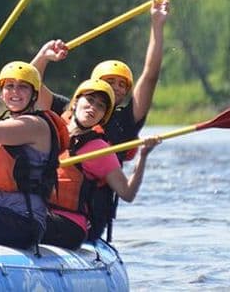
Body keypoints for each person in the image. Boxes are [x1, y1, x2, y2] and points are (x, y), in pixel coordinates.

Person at [33, 0, 169, 240]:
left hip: (87, 215)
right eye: (109, 82)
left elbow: (150, 76)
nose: (115, 88)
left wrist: (156, 26)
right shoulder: (70, 108)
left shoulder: (126, 120)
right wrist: (44, 57)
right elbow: (29, 86)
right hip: (46, 204)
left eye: (121, 85)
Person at [41, 79, 160, 250]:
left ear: (103, 116)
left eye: (101, 106)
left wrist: (143, 156)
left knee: (26, 222)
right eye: (89, 100)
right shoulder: (49, 132)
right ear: (75, 103)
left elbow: (127, 193)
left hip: (71, 224)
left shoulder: (100, 150)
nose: (93, 108)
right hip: (40, 213)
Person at [0, 62, 68, 250]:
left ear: (34, 94)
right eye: (9, 86)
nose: (15, 92)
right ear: (2, 94)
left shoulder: (35, 126)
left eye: (23, 87)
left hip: (23, 220)